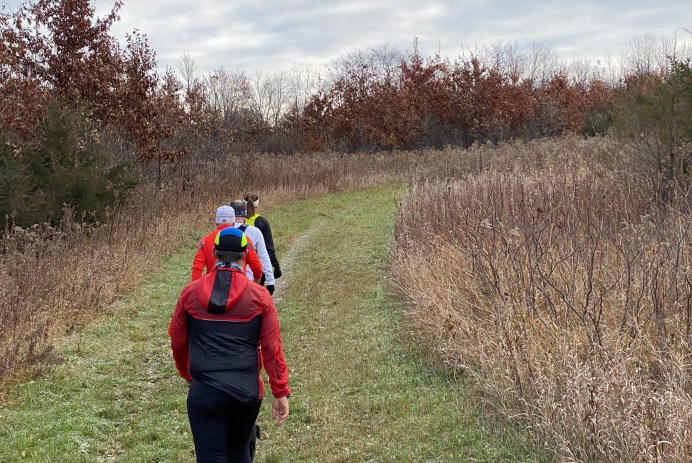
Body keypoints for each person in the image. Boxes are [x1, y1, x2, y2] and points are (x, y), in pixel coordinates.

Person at [169, 227, 291, 463]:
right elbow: (272, 347)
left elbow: (177, 339)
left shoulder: (190, 293)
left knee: (209, 456)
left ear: (214, 253)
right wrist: (280, 390)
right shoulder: (260, 297)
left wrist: (186, 373)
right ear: (245, 255)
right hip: (245, 391)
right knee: (239, 451)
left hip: (204, 389)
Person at [191, 205, 262, 284]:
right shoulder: (244, 239)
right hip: (238, 285)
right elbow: (256, 266)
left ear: (216, 222)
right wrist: (255, 283)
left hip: (212, 286)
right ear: (234, 222)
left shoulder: (204, 241)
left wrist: (195, 287)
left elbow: (197, 268)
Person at [229, 200, 276, 295]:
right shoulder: (255, 232)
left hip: (226, 282)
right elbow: (263, 256)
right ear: (245, 213)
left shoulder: (221, 232)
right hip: (250, 281)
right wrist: (270, 281)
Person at [243, 193, 282, 282]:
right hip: (257, 267)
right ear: (257, 205)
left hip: (240, 266)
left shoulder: (236, 222)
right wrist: (276, 266)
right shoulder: (262, 222)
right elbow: (269, 247)